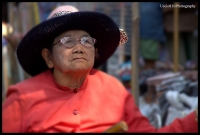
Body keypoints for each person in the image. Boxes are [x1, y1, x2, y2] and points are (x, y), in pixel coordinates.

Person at [2, 5, 198, 133]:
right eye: (67, 41)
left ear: (94, 53)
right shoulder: (22, 97)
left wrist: (194, 120)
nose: (79, 47)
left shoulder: (114, 89)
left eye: (86, 40)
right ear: (48, 57)